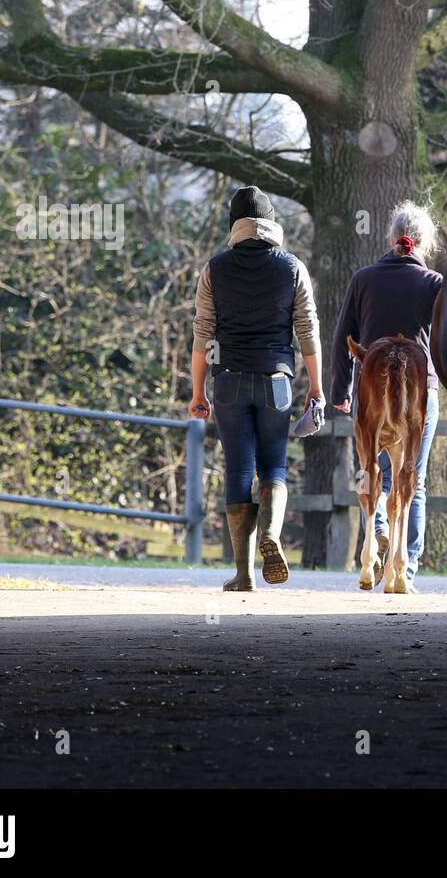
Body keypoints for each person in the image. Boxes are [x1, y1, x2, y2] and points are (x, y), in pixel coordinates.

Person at [189, 186, 323, 591]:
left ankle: (244, 574)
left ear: (235, 225)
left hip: (228, 379)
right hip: (276, 380)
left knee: (239, 471)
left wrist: (198, 392)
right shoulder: (292, 267)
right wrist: (316, 387)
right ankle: (271, 534)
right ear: (271, 223)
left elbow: (201, 334)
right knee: (274, 468)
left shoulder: (215, 268)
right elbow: (308, 331)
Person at [331, 202, 443, 591]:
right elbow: (445, 344)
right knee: (414, 477)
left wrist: (341, 391)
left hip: (370, 388)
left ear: (390, 238)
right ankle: (404, 568)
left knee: (369, 470)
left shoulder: (363, 278)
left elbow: (342, 336)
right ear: (423, 243)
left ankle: (374, 541)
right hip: (418, 390)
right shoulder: (434, 282)